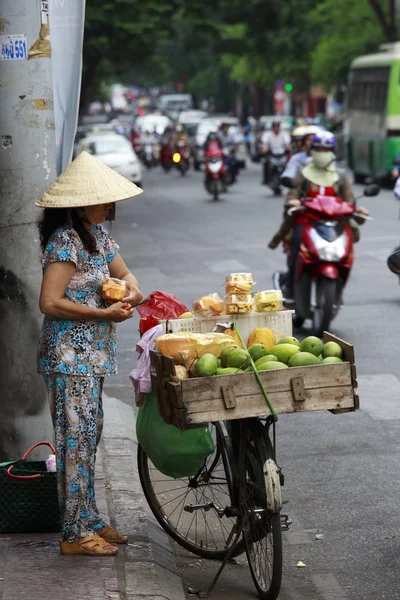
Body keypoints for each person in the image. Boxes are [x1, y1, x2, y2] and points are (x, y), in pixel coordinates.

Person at [36, 151, 143, 556]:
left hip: (92, 358)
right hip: (68, 357)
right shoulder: (64, 242)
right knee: (73, 440)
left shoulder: (98, 237)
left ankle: (89, 517)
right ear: (82, 203)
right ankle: (73, 534)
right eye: (103, 200)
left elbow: (127, 275)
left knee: (89, 434)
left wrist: (130, 292)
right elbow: (49, 301)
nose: (110, 207)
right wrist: (102, 312)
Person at [269, 131, 369, 299]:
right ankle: (291, 288)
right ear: (312, 150)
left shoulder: (341, 175)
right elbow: (292, 195)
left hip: (335, 221)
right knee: (298, 245)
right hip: (308, 219)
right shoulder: (304, 173)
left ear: (333, 151)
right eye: (318, 149)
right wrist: (293, 202)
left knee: (347, 247)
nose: (322, 153)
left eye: (326, 149)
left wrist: (358, 210)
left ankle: (338, 285)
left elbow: (349, 201)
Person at [261, 120, 291, 184]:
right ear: (272, 127)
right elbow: (264, 145)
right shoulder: (268, 135)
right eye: (274, 126)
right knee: (265, 163)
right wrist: (264, 149)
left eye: (277, 126)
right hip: (272, 155)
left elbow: (288, 144)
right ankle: (266, 180)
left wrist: (289, 148)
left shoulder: (284, 134)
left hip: (281, 155)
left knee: (289, 163)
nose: (276, 128)